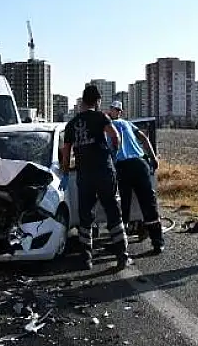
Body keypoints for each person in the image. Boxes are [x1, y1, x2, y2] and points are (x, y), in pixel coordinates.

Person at [59, 84, 132, 270]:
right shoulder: (101, 117)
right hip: (104, 171)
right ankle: (122, 256)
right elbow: (115, 136)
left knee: (85, 215)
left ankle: (86, 258)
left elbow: (66, 152)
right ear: (97, 101)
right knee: (112, 211)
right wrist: (113, 153)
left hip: (84, 175)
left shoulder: (71, 124)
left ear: (83, 101)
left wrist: (65, 173)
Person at [107, 101, 164, 254]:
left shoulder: (107, 127)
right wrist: (153, 158)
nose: (115, 112)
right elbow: (144, 138)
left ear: (112, 111)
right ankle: (157, 242)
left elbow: (106, 149)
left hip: (122, 167)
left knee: (123, 206)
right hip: (140, 164)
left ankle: (120, 244)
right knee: (149, 203)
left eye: (115, 110)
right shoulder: (128, 124)